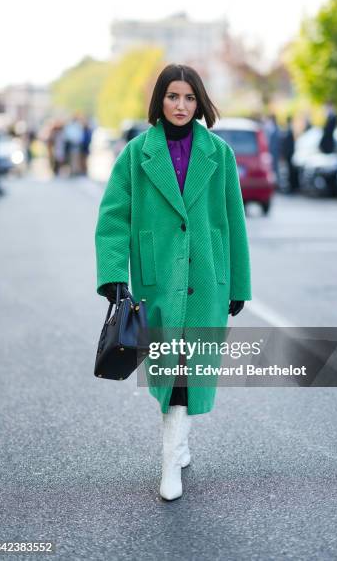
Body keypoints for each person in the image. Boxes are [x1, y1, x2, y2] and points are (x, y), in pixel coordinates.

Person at [95, 64, 251, 501]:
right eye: (172, 97)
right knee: (170, 370)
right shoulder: (136, 153)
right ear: (159, 101)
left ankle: (173, 452)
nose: (181, 106)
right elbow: (112, 217)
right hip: (157, 279)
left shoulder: (219, 154)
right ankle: (173, 453)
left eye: (189, 98)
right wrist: (112, 275)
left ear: (199, 102)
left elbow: (234, 223)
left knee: (190, 369)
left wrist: (239, 282)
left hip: (206, 278)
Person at [280, 116, 298, 192]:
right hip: (288, 154)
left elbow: (289, 144)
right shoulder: (289, 130)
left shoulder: (289, 131)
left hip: (289, 154)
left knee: (290, 171)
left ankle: (292, 187)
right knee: (289, 171)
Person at [265, 114, 281, 186]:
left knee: (276, 168)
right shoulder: (270, 129)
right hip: (271, 152)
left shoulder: (277, 129)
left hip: (275, 152)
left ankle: (277, 184)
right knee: (273, 168)